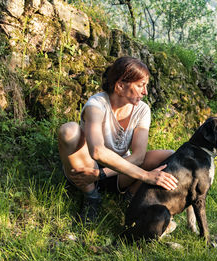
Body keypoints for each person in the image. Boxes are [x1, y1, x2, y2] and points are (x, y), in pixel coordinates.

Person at [58, 56, 178, 223]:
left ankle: (130, 197)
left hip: (117, 172)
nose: (145, 92)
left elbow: (138, 157)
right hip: (85, 169)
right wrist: (145, 176)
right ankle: (91, 196)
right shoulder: (97, 105)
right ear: (120, 86)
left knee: (170, 156)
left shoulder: (142, 110)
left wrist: (100, 174)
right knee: (68, 130)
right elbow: (97, 151)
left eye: (146, 86)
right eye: (140, 86)